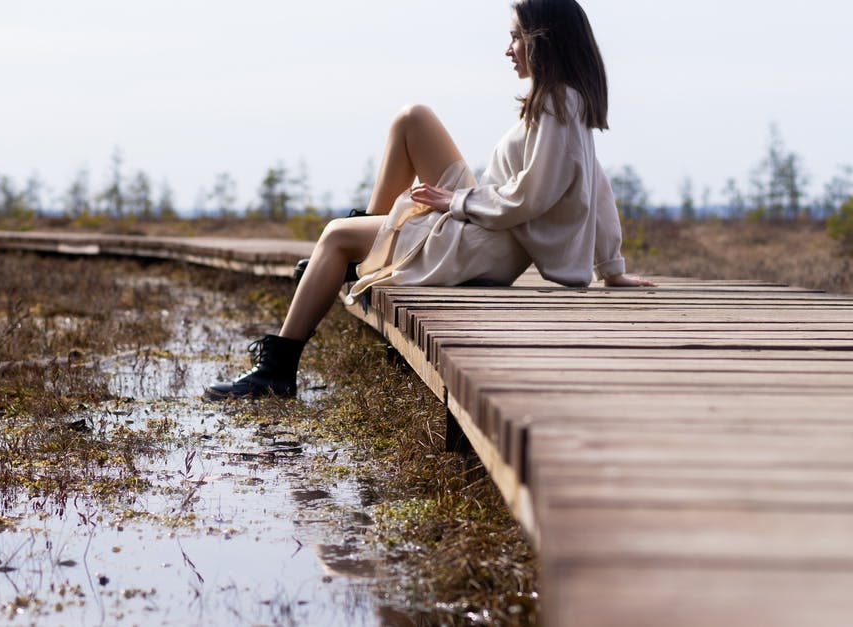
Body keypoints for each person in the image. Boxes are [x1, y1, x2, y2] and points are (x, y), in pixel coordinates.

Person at [205, 0, 654, 400]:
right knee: (412, 119)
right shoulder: (563, 100)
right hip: (486, 223)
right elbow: (598, 185)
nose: (508, 48)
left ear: (544, 42)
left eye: (517, 37)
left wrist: (456, 202)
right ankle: (365, 252)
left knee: (335, 234)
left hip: (487, 242)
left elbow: (530, 198)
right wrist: (611, 270)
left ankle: (277, 371)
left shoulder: (557, 104)